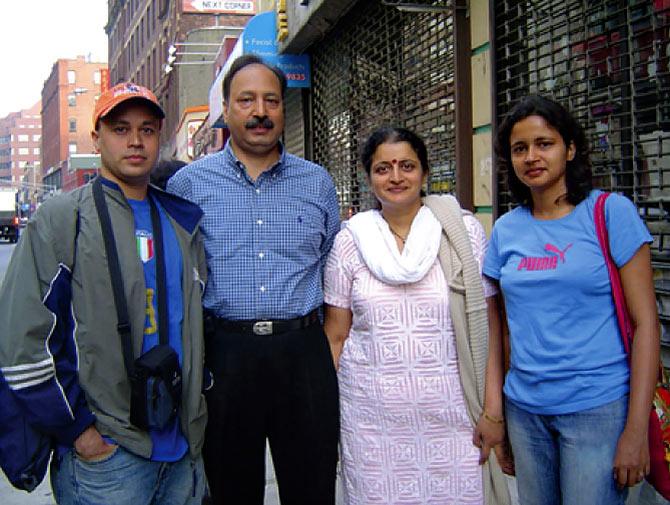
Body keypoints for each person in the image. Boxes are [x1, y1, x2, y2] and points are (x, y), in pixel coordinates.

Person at [0, 82, 209, 504]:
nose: (135, 140)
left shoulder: (182, 223)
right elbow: (22, 343)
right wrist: (78, 431)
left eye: (147, 129)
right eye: (120, 128)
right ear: (96, 138)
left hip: (182, 453)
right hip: (107, 461)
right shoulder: (63, 219)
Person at [167, 54, 340, 505]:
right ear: (226, 108)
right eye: (246, 100)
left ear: (284, 108)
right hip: (224, 357)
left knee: (312, 488)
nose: (260, 111)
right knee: (228, 490)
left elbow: (330, 264)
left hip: (302, 354)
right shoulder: (189, 185)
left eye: (271, 100)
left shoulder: (318, 183)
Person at [483, 95, 660, 505]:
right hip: (525, 411)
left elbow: (647, 323)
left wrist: (635, 431)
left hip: (597, 408)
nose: (532, 156)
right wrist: (501, 416)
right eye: (519, 148)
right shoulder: (506, 231)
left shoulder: (610, 213)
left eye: (544, 143)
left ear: (571, 148)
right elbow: (502, 331)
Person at [323, 126, 512, 505]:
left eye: (407, 166)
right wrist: (327, 420)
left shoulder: (462, 233)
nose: (396, 177)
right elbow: (336, 337)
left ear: (425, 173)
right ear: (368, 176)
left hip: (456, 416)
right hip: (371, 422)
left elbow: (489, 328)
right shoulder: (350, 241)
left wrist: (493, 411)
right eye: (383, 168)